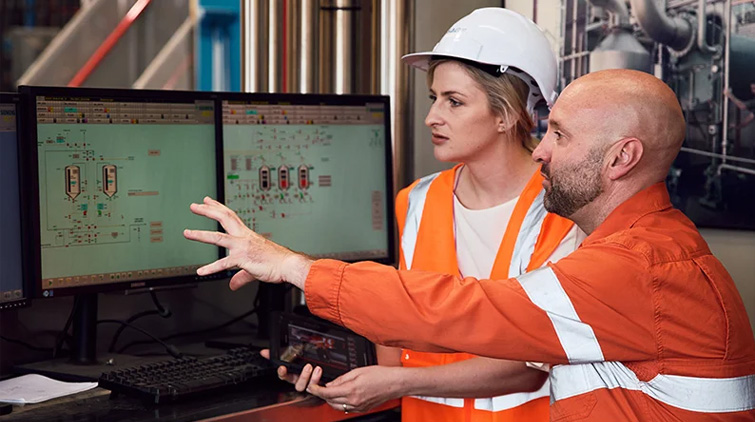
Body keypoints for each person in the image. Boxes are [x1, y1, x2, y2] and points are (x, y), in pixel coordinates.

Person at [184, 69, 755, 421]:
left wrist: (292, 266)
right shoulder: (641, 245)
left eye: (559, 135)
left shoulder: (639, 270)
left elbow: (469, 310)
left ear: (621, 158)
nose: (541, 150)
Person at [263, 8, 582, 422]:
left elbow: (527, 367)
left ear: (507, 113)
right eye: (435, 98)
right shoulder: (415, 200)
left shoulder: (564, 212)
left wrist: (395, 383)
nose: (432, 117)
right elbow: (397, 323)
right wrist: (347, 380)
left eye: (454, 101)